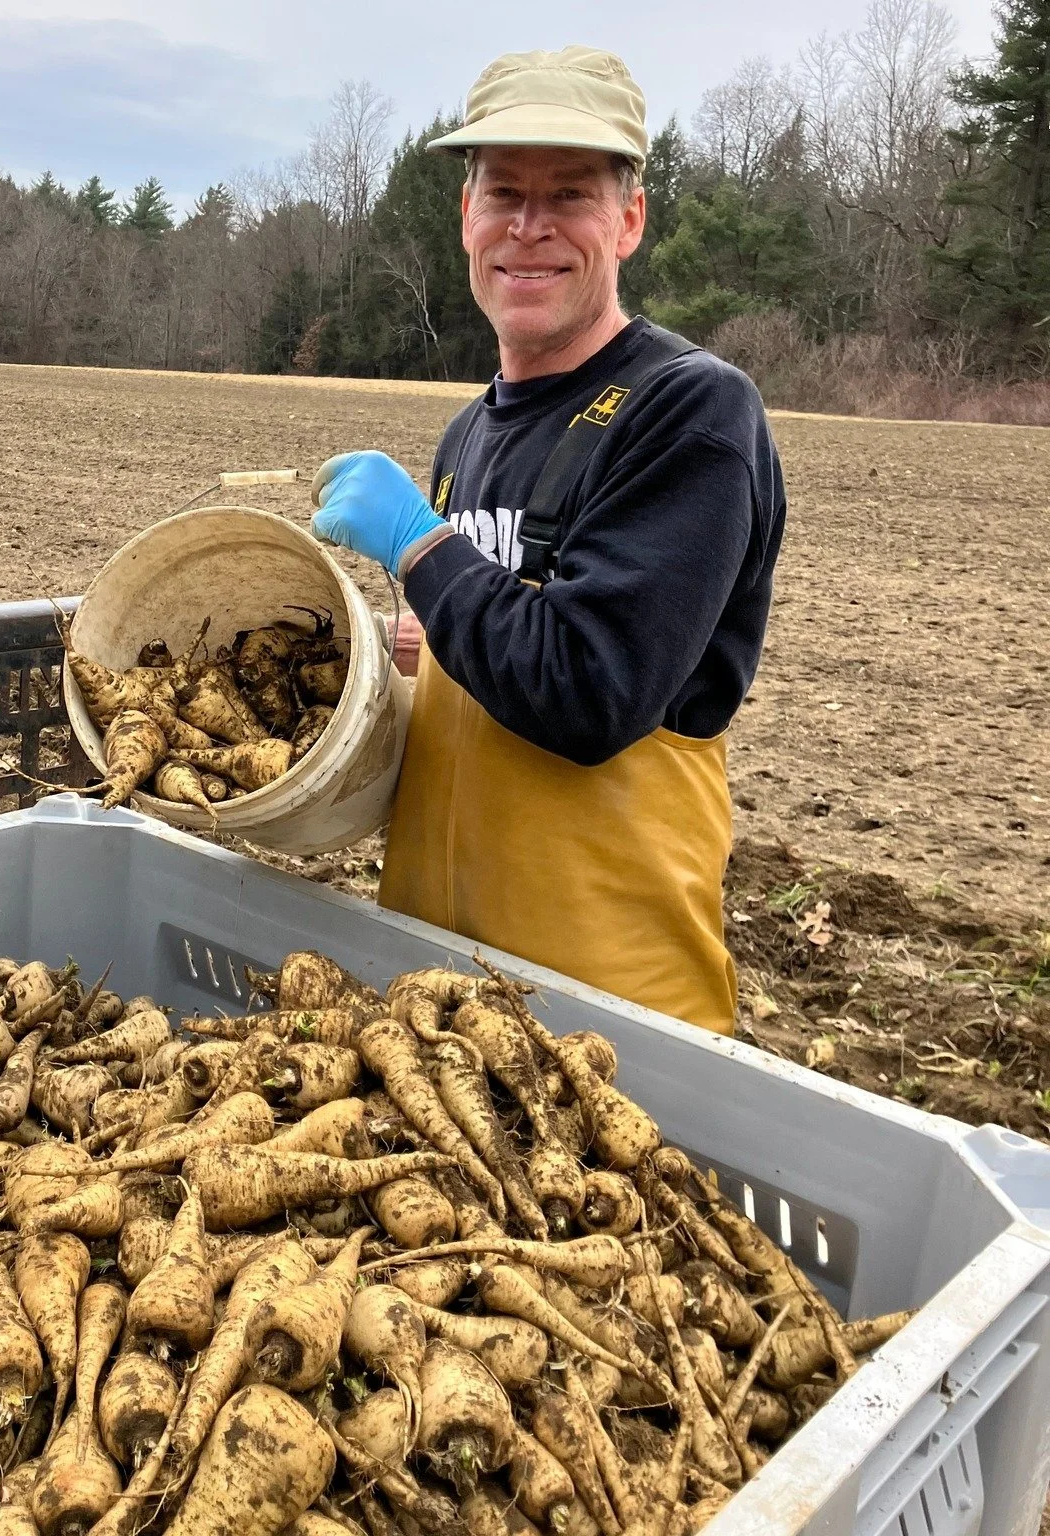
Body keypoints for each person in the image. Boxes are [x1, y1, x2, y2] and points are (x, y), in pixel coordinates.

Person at [311, 46, 786, 1034]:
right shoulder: (469, 434)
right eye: (504, 193)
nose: (530, 227)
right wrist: (413, 652)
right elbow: (504, 622)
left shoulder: (690, 412)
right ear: (466, 217)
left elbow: (588, 688)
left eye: (569, 193)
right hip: (435, 994)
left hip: (606, 1018)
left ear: (629, 219)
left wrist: (418, 548)